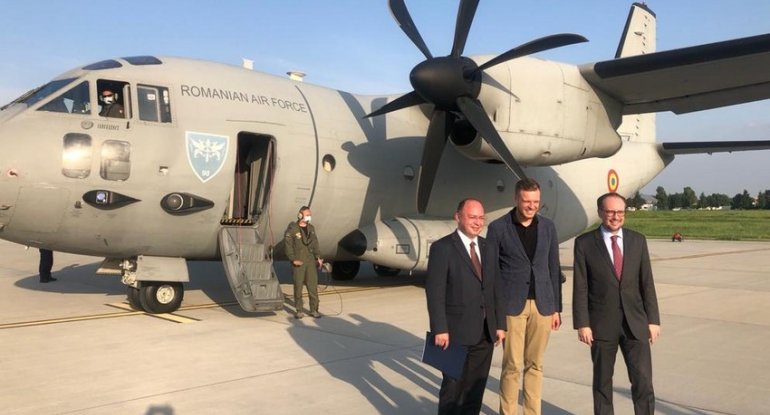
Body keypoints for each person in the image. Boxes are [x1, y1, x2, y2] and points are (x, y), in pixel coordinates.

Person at [573, 193, 661, 415]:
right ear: (600, 212)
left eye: (620, 212)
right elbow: (581, 287)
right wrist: (582, 323)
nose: (616, 216)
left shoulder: (638, 241)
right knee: (602, 384)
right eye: (611, 211)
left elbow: (647, 283)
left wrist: (653, 320)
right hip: (602, 325)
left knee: (643, 382)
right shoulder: (584, 243)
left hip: (636, 323)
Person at [487, 178, 562, 415]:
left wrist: (556, 308)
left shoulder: (548, 227)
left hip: (543, 305)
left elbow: (554, 268)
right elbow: (491, 274)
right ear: (516, 199)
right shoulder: (498, 228)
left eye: (536, 201)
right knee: (512, 366)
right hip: (511, 307)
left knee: (535, 365)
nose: (532, 206)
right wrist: (495, 315)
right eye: (527, 201)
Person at [425, 198, 506, 414]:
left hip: (485, 332)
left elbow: (496, 288)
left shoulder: (489, 247)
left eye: (481, 218)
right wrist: (440, 328)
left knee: (474, 391)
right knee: (452, 390)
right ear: (458, 217)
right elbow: (435, 292)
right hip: (454, 333)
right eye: (472, 217)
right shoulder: (442, 248)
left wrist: (500, 324)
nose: (478, 222)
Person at [284, 206, 323, 319]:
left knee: (312, 286)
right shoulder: (293, 229)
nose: (309, 217)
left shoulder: (311, 228)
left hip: (310, 261)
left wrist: (318, 257)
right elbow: (288, 245)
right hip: (299, 261)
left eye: (310, 215)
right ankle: (299, 310)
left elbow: (315, 243)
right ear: (300, 215)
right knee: (298, 286)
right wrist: (293, 259)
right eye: (307, 215)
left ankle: (314, 310)